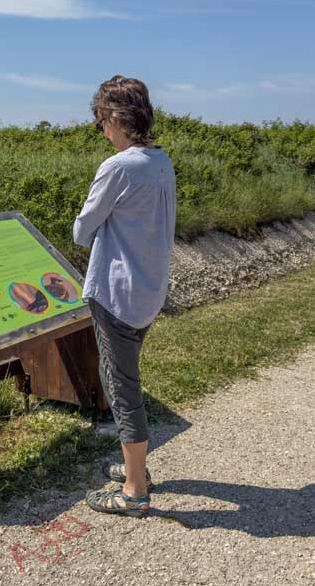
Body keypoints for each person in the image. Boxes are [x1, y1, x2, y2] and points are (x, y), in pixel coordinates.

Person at [73, 75, 176, 517]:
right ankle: (137, 468)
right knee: (124, 378)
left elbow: (82, 230)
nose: (102, 130)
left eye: (101, 120)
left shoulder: (118, 166)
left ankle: (135, 489)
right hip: (148, 290)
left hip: (116, 292)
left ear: (116, 118)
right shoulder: (160, 161)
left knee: (121, 386)